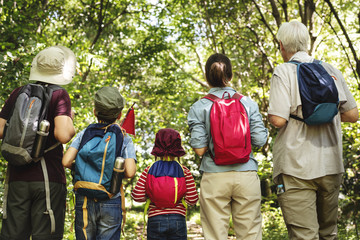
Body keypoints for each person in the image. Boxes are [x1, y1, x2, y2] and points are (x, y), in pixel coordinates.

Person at [268, 20, 359, 240]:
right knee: (328, 233)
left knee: (304, 235)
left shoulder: (283, 72)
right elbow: (352, 115)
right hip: (330, 164)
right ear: (306, 43)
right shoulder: (330, 70)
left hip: (295, 168)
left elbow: (278, 120)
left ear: (282, 45)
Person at [187, 53, 268, 239]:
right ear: (230, 76)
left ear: (207, 77)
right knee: (250, 234)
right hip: (246, 174)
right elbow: (260, 141)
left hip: (215, 176)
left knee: (215, 235)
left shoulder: (199, 107)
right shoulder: (248, 103)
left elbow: (199, 149)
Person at [0, 46, 76, 239]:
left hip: (17, 177)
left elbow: (0, 130)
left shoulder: (18, 93)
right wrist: (70, 121)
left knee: (13, 235)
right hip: (47, 178)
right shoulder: (59, 95)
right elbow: (63, 135)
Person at [62, 86, 137, 240]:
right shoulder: (123, 137)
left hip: (84, 198)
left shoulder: (85, 133)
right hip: (111, 197)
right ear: (120, 114)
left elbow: (66, 161)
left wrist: (82, 168)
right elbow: (130, 172)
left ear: (95, 111)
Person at [131, 128, 199, 240]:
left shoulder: (149, 170)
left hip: (155, 219)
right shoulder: (184, 171)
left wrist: (152, 196)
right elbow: (192, 199)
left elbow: (137, 196)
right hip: (178, 219)